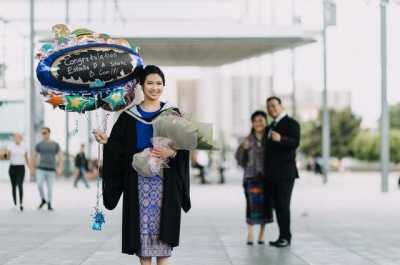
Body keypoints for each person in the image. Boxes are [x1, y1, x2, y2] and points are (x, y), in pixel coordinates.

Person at [94, 65, 191, 265]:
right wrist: (107, 142)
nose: (154, 88)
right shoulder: (128, 117)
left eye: (158, 83)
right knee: (143, 245)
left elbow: (184, 149)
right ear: (141, 85)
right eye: (150, 83)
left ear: (163, 85)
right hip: (138, 185)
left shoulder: (173, 114)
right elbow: (118, 150)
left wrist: (172, 152)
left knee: (164, 248)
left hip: (165, 184)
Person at [263, 96, 300, 248]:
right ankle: (282, 236)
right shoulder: (271, 125)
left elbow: (295, 142)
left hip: (285, 173)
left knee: (283, 205)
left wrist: (281, 139)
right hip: (272, 173)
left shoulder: (291, 123)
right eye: (269, 107)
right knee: (278, 205)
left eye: (273, 106)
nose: (271, 109)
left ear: (281, 106)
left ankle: (286, 237)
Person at [235, 111, 273, 245]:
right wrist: (244, 149)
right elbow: (239, 160)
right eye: (256, 121)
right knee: (251, 206)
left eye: (261, 120)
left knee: (265, 206)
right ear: (252, 123)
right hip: (250, 178)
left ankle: (262, 234)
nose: (258, 123)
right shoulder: (247, 139)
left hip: (266, 178)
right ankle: (250, 233)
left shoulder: (270, 138)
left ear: (266, 122)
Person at [31, 127, 63, 211]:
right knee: (39, 184)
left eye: (45, 133)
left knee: (50, 188)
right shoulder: (39, 144)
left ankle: (49, 203)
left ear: (49, 133)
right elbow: (34, 157)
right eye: (42, 133)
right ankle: (43, 199)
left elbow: (60, 157)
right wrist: (32, 169)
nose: (43, 134)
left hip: (51, 170)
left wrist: (60, 167)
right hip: (40, 169)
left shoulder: (55, 144)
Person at [6, 133, 29, 211]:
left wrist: (30, 167)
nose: (16, 138)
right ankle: (15, 204)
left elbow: (26, 158)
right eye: (15, 137)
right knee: (13, 186)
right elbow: (7, 157)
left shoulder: (24, 146)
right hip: (12, 167)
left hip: (21, 167)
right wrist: (6, 154)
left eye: (18, 137)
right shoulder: (10, 146)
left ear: (21, 138)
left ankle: (21, 204)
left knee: (20, 185)